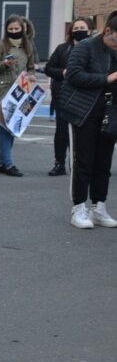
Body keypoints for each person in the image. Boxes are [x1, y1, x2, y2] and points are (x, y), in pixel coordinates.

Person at [58, 13, 117, 229]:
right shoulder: (85, 47)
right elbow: (73, 75)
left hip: (110, 112)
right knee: (83, 161)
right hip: (83, 111)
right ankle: (79, 208)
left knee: (104, 163)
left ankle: (99, 207)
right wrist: (106, 78)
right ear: (108, 31)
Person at [45, 17, 94, 177]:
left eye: (82, 27)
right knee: (61, 132)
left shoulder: (94, 49)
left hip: (87, 97)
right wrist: (63, 72)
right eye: (76, 27)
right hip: (63, 96)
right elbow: (49, 68)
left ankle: (79, 163)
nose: (78, 30)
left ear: (89, 30)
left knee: (83, 132)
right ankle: (59, 163)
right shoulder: (62, 49)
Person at [0, 15, 37, 177]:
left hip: (21, 91)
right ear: (6, 30)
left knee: (13, 128)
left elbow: (31, 67)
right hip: (3, 92)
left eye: (17, 29)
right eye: (11, 29)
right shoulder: (1, 45)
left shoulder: (28, 46)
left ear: (22, 29)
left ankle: (3, 163)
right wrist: (4, 64)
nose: (14, 32)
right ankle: (8, 164)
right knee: (5, 129)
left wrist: (31, 75)